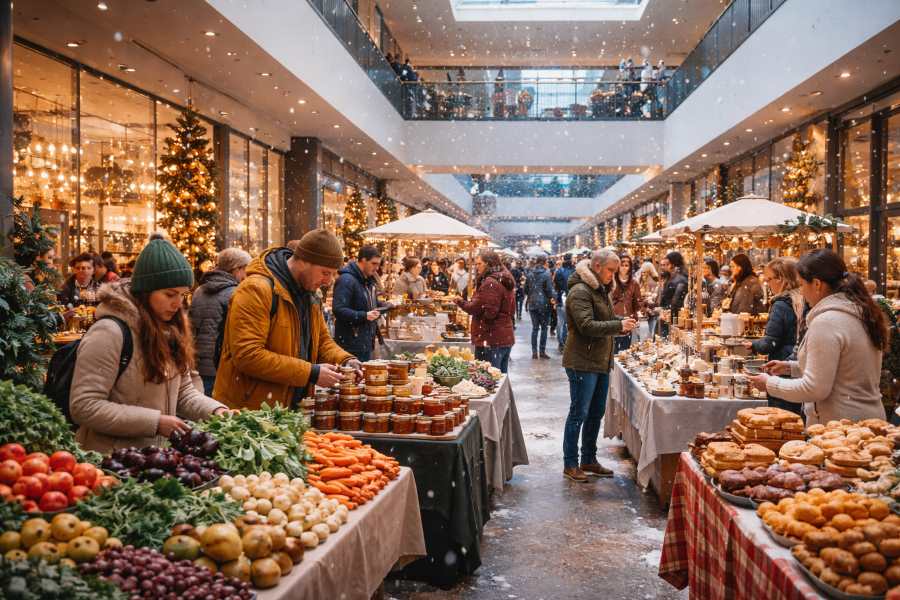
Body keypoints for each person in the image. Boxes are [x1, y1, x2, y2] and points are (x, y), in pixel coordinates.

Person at [69, 238, 230, 453]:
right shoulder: (109, 333)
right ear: (146, 291)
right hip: (110, 463)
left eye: (182, 295)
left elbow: (183, 393)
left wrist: (216, 410)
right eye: (170, 294)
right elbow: (84, 406)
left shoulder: (169, 330)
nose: (178, 303)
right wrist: (155, 422)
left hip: (154, 460)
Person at [214, 230, 361, 409]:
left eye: (332, 274)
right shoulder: (256, 289)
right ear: (304, 261)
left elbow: (322, 340)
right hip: (251, 412)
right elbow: (247, 355)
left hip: (287, 409)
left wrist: (346, 360)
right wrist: (310, 373)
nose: (329, 281)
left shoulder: (310, 293)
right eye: (325, 273)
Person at [749, 249, 889, 425]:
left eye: (801, 284)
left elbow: (814, 388)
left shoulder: (827, 322)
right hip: (865, 420)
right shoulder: (858, 310)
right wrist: (791, 368)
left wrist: (770, 383)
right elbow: (842, 370)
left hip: (840, 427)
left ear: (816, 284)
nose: (801, 292)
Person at [562, 250, 636, 482]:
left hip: (600, 361)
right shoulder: (580, 291)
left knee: (595, 413)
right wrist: (617, 325)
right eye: (610, 270)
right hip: (582, 361)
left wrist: (620, 323)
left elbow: (601, 320)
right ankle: (570, 463)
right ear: (596, 265)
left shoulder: (598, 290)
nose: (613, 275)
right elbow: (586, 325)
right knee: (579, 413)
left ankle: (589, 459)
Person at [189, 247, 252, 396]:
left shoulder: (200, 290)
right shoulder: (235, 293)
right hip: (221, 365)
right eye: (246, 271)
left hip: (198, 362)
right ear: (237, 269)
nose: (247, 276)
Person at [746, 257, 804, 415]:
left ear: (781, 279)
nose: (768, 284)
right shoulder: (801, 300)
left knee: (781, 419)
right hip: (799, 366)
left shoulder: (780, 304)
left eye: (769, 279)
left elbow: (770, 343)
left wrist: (753, 345)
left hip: (782, 368)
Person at [456, 250, 515, 373]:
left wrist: (461, 302)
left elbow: (488, 311)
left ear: (488, 264)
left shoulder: (490, 282)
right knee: (500, 378)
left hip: (490, 338)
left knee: (489, 378)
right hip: (503, 336)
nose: (477, 267)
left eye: (479, 264)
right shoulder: (503, 277)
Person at [332, 245, 392, 363]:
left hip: (364, 342)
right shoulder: (346, 280)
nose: (377, 267)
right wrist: (364, 315)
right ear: (363, 260)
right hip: (351, 344)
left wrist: (386, 305)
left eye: (378, 264)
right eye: (374, 263)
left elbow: (368, 303)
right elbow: (338, 309)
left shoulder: (367, 280)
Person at [611, 254, 642, 352]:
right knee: (613, 348)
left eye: (626, 265)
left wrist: (636, 315)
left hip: (628, 317)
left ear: (630, 267)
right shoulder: (611, 281)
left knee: (625, 349)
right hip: (613, 318)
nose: (624, 268)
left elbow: (637, 301)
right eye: (622, 265)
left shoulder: (634, 283)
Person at [525, 256, 553, 359]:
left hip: (533, 304)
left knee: (535, 328)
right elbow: (549, 290)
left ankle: (534, 352)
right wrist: (552, 298)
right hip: (544, 304)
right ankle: (542, 351)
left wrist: (532, 295)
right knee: (544, 328)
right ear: (544, 262)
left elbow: (526, 290)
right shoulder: (546, 274)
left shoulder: (530, 274)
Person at [658, 251, 688, 337]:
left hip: (672, 317)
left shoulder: (679, 279)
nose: (665, 266)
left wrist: (668, 314)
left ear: (673, 264)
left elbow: (676, 301)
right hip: (670, 315)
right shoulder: (674, 277)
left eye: (667, 264)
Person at [554, 254, 575, 352]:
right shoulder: (574, 271)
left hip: (561, 298)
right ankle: (565, 342)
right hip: (571, 298)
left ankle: (561, 343)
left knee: (560, 322)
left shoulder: (559, 271)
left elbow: (556, 286)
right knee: (567, 322)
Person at [638, 259, 660, 339]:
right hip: (643, 309)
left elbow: (657, 297)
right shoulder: (641, 281)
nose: (643, 274)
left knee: (650, 331)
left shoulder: (655, 282)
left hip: (652, 310)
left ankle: (649, 343)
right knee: (642, 332)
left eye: (645, 272)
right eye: (642, 272)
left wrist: (650, 299)